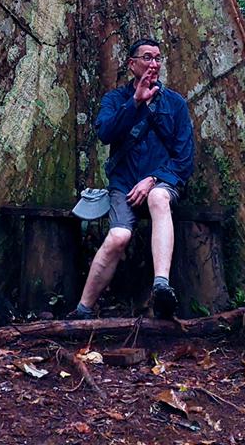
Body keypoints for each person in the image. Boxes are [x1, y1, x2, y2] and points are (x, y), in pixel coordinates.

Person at [69, 37, 194, 320]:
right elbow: (105, 134)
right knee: (118, 236)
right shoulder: (114, 100)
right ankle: (83, 309)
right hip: (124, 184)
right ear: (132, 64)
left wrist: (153, 178)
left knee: (157, 196)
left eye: (158, 58)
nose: (154, 64)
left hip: (162, 184)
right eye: (147, 57)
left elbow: (184, 159)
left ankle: (161, 285)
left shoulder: (175, 103)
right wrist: (135, 102)